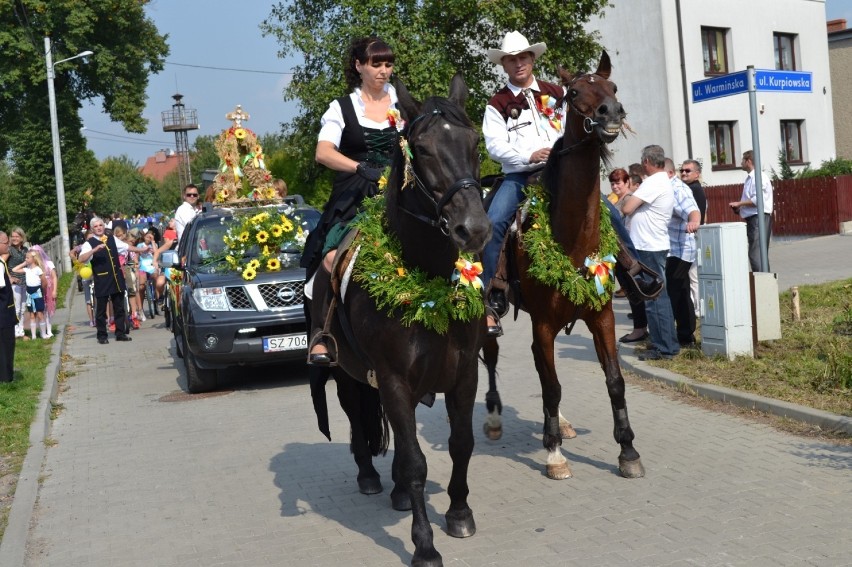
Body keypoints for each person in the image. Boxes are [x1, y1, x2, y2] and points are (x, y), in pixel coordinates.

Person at [480, 31, 654, 336]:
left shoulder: (558, 92)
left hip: (562, 173)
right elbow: (494, 145)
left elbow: (574, 125)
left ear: (532, 59)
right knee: (495, 221)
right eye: (511, 60)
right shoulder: (497, 103)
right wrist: (527, 154)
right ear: (504, 65)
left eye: (523, 57)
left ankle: (634, 274)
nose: (518, 64)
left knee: (609, 214)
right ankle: (494, 292)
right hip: (520, 175)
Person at [301, 36, 401, 366]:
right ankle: (322, 334)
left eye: (388, 64)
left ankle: (470, 313)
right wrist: (361, 167)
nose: (383, 71)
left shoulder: (402, 104)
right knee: (331, 256)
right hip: (356, 192)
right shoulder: (342, 107)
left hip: (400, 190)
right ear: (359, 66)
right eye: (376, 64)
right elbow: (323, 152)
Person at [620, 145, 679, 360]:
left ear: (646, 162)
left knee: (655, 299)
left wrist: (628, 196)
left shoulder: (655, 181)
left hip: (649, 247)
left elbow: (627, 209)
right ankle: (664, 344)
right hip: (651, 245)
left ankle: (665, 348)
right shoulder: (661, 181)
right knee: (655, 298)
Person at [77, 217, 133, 344]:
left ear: (104, 226)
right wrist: (94, 250)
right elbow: (81, 259)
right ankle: (102, 335)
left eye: (100, 225)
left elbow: (127, 247)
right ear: (92, 229)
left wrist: (143, 250)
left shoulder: (112, 239)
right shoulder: (89, 243)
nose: (99, 228)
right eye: (96, 226)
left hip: (116, 278)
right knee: (101, 309)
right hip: (102, 279)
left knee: (119, 307)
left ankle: (120, 333)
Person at [608, 168, 648, 343]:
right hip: (620, 251)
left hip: (628, 252)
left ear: (627, 183)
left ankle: (640, 329)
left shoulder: (629, 200)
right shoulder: (618, 200)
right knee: (631, 290)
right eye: (613, 183)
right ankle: (640, 327)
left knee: (634, 290)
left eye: (618, 183)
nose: (615, 186)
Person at [664, 159, 701, 346]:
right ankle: (684, 335)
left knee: (678, 292)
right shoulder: (666, 188)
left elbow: (693, 210)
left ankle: (686, 336)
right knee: (678, 291)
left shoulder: (678, 189)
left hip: (680, 250)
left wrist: (694, 221)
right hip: (672, 250)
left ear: (669, 173)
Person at [729, 150, 773, 272]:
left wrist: (740, 203)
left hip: (758, 217)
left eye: (743, 160)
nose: (741, 162)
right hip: (754, 217)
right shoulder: (750, 178)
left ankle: (762, 283)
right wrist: (740, 208)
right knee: (757, 252)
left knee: (756, 253)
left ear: (748, 161)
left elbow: (758, 199)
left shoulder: (758, 177)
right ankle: (763, 282)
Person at [678, 159, 706, 317]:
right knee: (693, 274)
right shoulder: (692, 188)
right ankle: (696, 307)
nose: (683, 173)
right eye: (682, 170)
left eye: (687, 171)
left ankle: (697, 308)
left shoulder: (693, 189)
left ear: (697, 174)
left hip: (693, 235)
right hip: (693, 234)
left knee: (694, 275)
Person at [12, 250, 50, 340]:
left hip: (37, 291)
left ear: (34, 259)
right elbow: (14, 270)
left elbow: (44, 281)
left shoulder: (38, 269)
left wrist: (42, 290)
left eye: (28, 258)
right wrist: (24, 263)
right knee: (32, 314)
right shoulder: (27, 269)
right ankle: (33, 336)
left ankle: (43, 334)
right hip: (29, 292)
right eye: (25, 257)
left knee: (40, 313)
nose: (26, 259)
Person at [0, 232, 18, 382]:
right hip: (3, 314)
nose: (9, 245)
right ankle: (6, 378)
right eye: (6, 243)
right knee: (6, 346)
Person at [29, 245, 58, 336]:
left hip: (48, 288)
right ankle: (42, 330)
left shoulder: (48, 263)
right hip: (38, 289)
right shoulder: (33, 266)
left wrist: (54, 290)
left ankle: (49, 330)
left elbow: (54, 277)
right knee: (40, 310)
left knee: (48, 309)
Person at [7, 228, 28, 338]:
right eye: (13, 236)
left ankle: (21, 330)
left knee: (23, 308)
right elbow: (3, 265)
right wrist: (10, 277)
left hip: (25, 282)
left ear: (21, 237)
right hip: (14, 283)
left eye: (17, 236)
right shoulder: (9, 250)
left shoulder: (25, 249)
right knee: (16, 309)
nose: (14, 238)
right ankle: (15, 331)